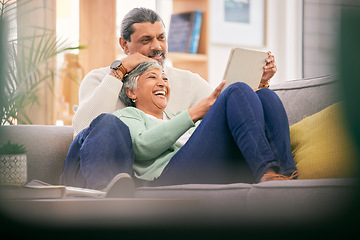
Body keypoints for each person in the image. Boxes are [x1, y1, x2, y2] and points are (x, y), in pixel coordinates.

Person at [61, 7, 278, 192]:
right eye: (146, 40)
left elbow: (226, 109)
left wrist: (260, 84)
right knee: (109, 122)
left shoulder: (187, 81)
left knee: (262, 96)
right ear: (124, 45)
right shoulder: (102, 78)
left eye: (161, 38)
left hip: (182, 165)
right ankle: (107, 198)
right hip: (119, 167)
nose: (157, 47)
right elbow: (84, 129)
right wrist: (121, 70)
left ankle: (277, 175)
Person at [113, 60, 297, 186]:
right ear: (131, 92)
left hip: (212, 165)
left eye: (165, 79)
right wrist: (193, 114)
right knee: (237, 90)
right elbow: (142, 147)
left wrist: (261, 83)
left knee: (266, 95)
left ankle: (288, 175)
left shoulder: (176, 116)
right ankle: (267, 173)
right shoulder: (129, 115)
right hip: (167, 176)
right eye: (152, 77)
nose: (162, 83)